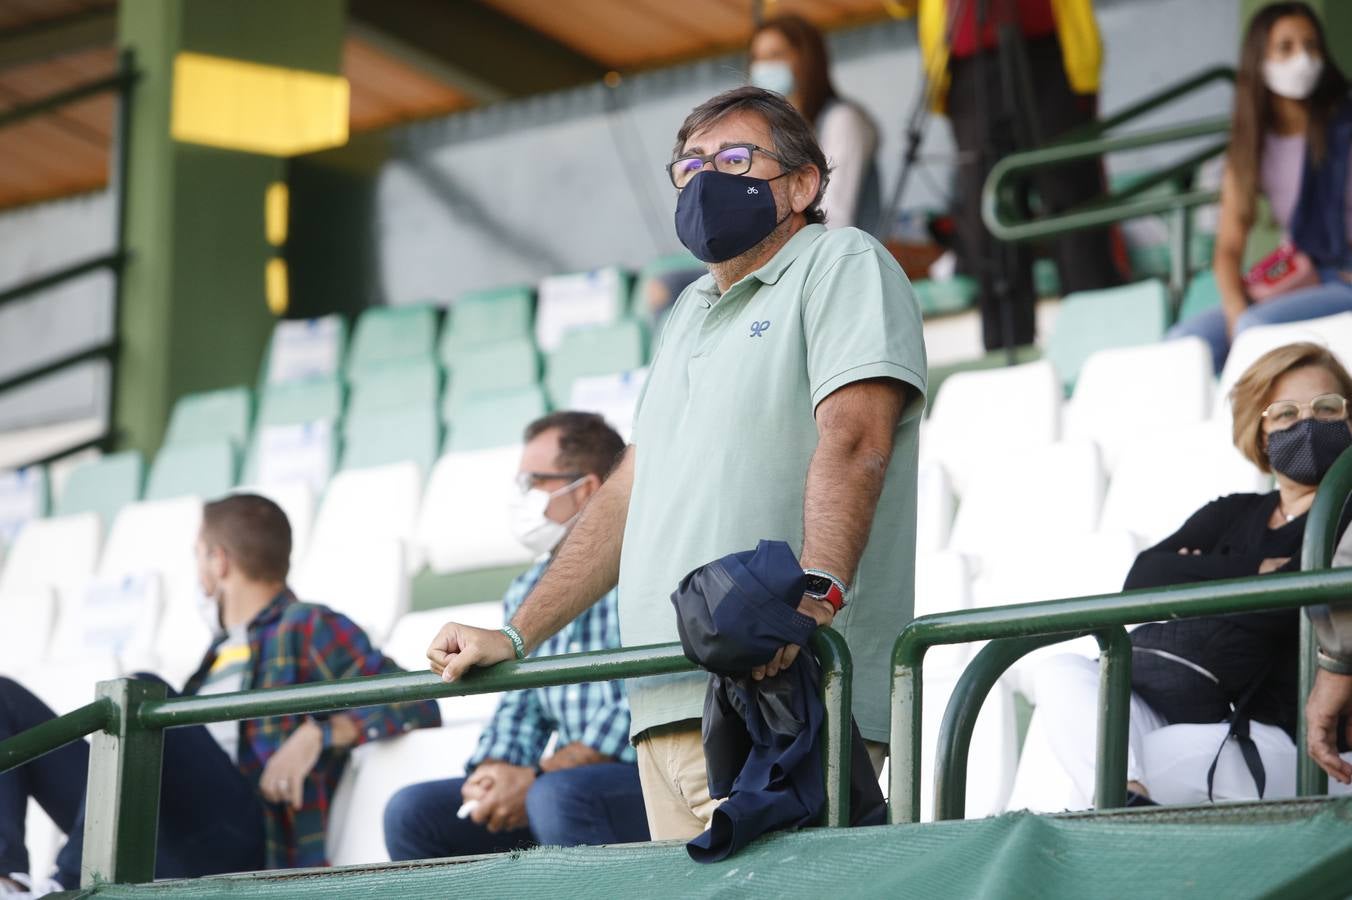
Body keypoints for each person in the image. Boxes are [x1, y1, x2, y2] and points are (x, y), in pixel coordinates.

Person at [427, 85, 927, 841]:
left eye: (733, 158)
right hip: (661, 702)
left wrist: (815, 598)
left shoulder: (841, 263)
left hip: (780, 689)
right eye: (689, 165)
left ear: (802, 183)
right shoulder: (687, 310)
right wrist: (521, 635)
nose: (704, 179)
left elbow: (855, 441)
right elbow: (631, 491)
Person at [0, 494, 440, 895]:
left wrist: (318, 735)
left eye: (198, 555)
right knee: (4, 697)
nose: (199, 569)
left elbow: (418, 699)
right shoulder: (214, 656)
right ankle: (9, 879)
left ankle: (68, 883)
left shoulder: (306, 624)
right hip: (164, 831)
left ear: (218, 560)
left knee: (145, 699)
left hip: (242, 842)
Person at [1007, 342, 1352, 811]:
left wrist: (1198, 580)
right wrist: (1256, 571)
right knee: (1058, 673)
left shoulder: (1345, 515)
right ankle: (1129, 806)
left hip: (1285, 737)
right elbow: (1145, 577)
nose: (1308, 425)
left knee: (1131, 766)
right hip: (1180, 704)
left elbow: (1283, 610)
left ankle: (1124, 815)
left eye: (1327, 408)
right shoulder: (1233, 511)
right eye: (1286, 413)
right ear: (1260, 431)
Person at [384, 413, 648, 860]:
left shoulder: (646, 567)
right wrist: (494, 771)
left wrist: (536, 777)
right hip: (557, 781)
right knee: (412, 813)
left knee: (556, 797)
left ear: (584, 489)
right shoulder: (527, 590)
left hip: (641, 775)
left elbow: (639, 700)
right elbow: (518, 703)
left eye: (534, 482)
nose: (520, 498)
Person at [918, 0, 1121, 352]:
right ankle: (1007, 358)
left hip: (1049, 52)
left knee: (1074, 212)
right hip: (969, 65)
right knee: (992, 221)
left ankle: (1101, 349)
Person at [1170, 3, 1352, 373]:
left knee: (1258, 330)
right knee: (1185, 341)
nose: (1302, 58)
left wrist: (1246, 325)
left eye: (1311, 46)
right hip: (1302, 276)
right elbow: (1228, 250)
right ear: (1260, 60)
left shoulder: (1344, 126)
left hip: (1344, 278)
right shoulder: (1252, 148)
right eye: (1285, 48)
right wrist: (1235, 310)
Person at [749, 14, 882, 233]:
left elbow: (835, 216)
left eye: (776, 55)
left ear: (806, 58)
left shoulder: (842, 120)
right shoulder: (773, 131)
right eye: (757, 57)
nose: (763, 66)